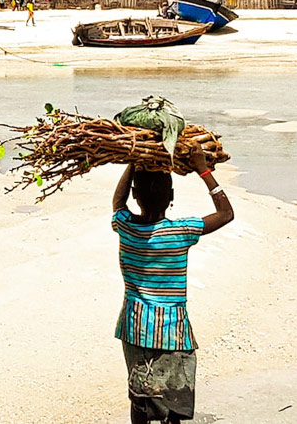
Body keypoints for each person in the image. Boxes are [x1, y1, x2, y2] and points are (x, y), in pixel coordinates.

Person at [111, 153, 235, 424]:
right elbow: (226, 213)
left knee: (140, 396)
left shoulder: (124, 225)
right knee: (173, 401)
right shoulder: (182, 230)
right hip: (172, 330)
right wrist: (203, 170)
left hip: (135, 327)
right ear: (171, 197)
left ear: (136, 195)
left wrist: (133, 162)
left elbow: (118, 202)